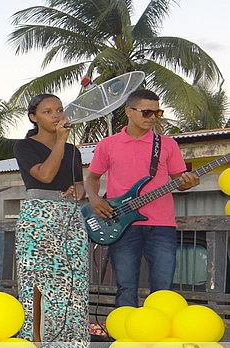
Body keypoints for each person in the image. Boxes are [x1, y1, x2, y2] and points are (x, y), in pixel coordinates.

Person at [85, 89, 199, 308]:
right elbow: (92, 178)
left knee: (163, 289)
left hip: (162, 225)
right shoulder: (108, 144)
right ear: (129, 112)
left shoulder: (167, 144)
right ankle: (124, 339)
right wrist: (94, 199)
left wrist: (189, 182)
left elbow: (180, 181)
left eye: (158, 113)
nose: (153, 118)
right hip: (123, 223)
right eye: (147, 112)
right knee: (126, 286)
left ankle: (160, 338)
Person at [14, 93, 91, 348]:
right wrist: (60, 141)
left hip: (69, 216)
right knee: (37, 281)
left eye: (59, 110)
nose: (56, 115)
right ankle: (35, 345)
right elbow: (45, 176)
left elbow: (80, 184)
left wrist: (79, 190)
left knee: (73, 281)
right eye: (48, 111)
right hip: (39, 217)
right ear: (34, 117)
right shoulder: (25, 147)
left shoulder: (73, 151)